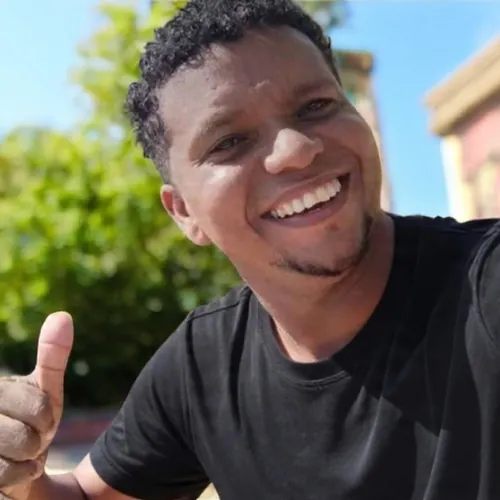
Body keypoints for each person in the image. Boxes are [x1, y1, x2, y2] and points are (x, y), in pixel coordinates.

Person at [1, 0, 499, 498]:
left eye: (316, 106)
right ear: (184, 213)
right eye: (229, 142)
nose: (295, 150)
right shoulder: (204, 365)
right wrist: (20, 473)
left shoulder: (484, 287)